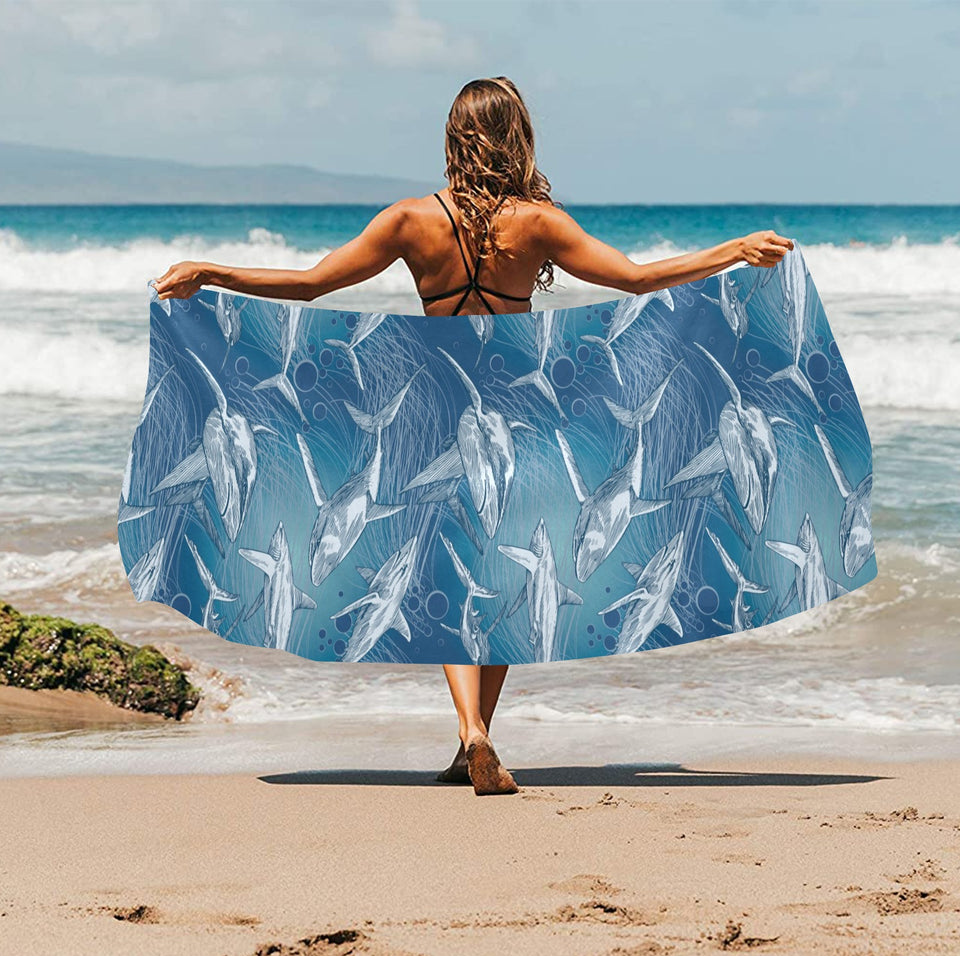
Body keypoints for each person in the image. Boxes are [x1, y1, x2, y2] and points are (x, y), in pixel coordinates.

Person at [153, 76, 793, 796]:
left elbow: (310, 286)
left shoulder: (408, 220)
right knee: (502, 573)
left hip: (437, 410)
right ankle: (478, 734)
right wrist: (733, 250)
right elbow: (638, 281)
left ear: (455, 137)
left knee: (446, 574)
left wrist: (211, 271)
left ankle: (471, 736)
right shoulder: (538, 223)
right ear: (517, 137)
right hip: (515, 413)